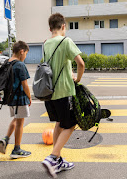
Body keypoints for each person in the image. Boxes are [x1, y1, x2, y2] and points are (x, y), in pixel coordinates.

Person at [42, 13, 85, 178]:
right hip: (64, 92)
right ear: (63, 26)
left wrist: (69, 71)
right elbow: (80, 63)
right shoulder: (65, 41)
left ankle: (58, 161)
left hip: (49, 93)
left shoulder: (46, 44)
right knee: (71, 124)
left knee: (59, 123)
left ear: (50, 28)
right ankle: (53, 157)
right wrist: (78, 78)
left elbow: (51, 66)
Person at [0, 41, 32, 159]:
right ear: (21, 51)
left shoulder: (7, 62)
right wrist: (29, 96)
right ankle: (16, 149)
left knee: (16, 119)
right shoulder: (20, 65)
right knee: (20, 123)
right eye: (26, 54)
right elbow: (25, 84)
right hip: (20, 99)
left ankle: (6, 139)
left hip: (10, 98)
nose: (25, 57)